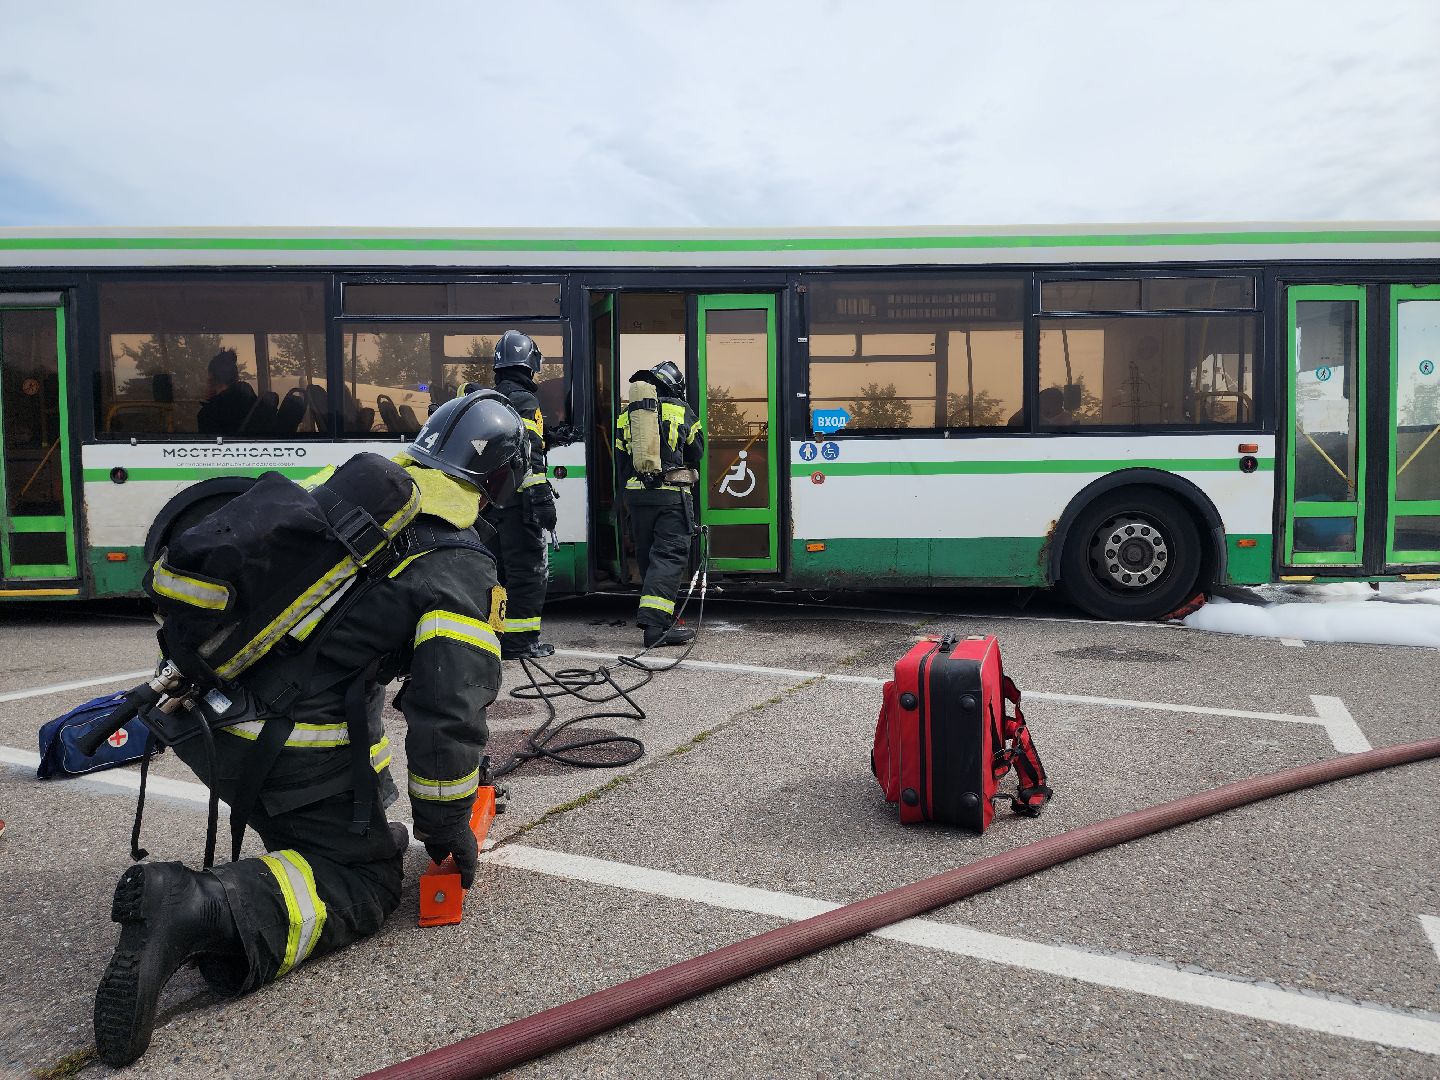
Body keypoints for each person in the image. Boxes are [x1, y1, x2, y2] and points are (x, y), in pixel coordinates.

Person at [92, 391, 528, 1067]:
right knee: (365, 880)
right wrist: (445, 831)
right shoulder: (463, 568)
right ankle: (195, 905)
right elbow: (447, 714)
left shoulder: (359, 480)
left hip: (204, 717)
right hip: (282, 748)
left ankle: (284, 850)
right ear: (498, 481)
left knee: (351, 823)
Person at [614, 360, 705, 647]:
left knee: (649, 555)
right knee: (668, 556)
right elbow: (698, 450)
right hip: (671, 496)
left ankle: (659, 614)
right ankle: (656, 627)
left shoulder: (626, 414)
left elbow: (620, 461)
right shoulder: (681, 410)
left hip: (637, 497)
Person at [479, 329, 558, 660]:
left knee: (499, 575)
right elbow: (529, 455)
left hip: (492, 506)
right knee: (528, 573)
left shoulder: (491, 400)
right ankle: (521, 642)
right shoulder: (526, 401)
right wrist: (542, 499)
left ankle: (498, 635)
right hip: (519, 506)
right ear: (530, 365)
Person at [196, 348, 258, 434]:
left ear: (211, 377)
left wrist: (210, 402)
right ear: (236, 377)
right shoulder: (249, 399)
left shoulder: (208, 414)